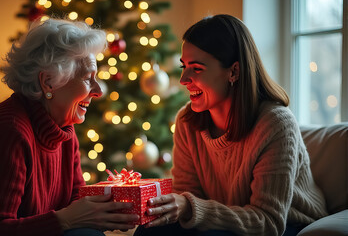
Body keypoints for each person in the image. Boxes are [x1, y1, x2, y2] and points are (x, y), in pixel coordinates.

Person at [0, 18, 139, 236]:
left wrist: (102, 210)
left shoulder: (63, 129)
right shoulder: (9, 133)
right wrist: (64, 220)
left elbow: (75, 199)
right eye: (87, 78)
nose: (98, 91)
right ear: (48, 82)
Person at [134, 14, 328, 236]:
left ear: (233, 71)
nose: (183, 79)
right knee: (150, 231)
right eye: (184, 66)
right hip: (224, 220)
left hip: (290, 224)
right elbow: (188, 196)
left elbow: (269, 222)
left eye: (196, 68)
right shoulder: (187, 121)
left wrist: (189, 207)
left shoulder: (276, 124)